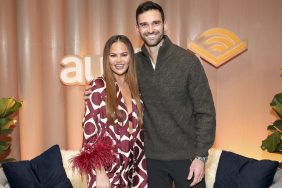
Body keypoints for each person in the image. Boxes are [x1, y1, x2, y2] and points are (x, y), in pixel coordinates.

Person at [135, 1, 216, 188]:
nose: (150, 29)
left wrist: (201, 157)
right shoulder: (134, 63)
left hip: (187, 158)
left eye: (155, 23)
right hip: (151, 160)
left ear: (165, 25)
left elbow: (205, 112)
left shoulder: (187, 61)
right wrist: (95, 87)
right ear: (137, 29)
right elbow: (114, 83)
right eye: (144, 25)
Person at [72, 35, 147, 188]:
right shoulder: (99, 86)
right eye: (113, 55)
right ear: (107, 59)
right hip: (107, 169)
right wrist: (100, 174)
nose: (119, 60)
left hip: (136, 168)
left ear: (131, 57)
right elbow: (90, 133)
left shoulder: (137, 89)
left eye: (124, 55)